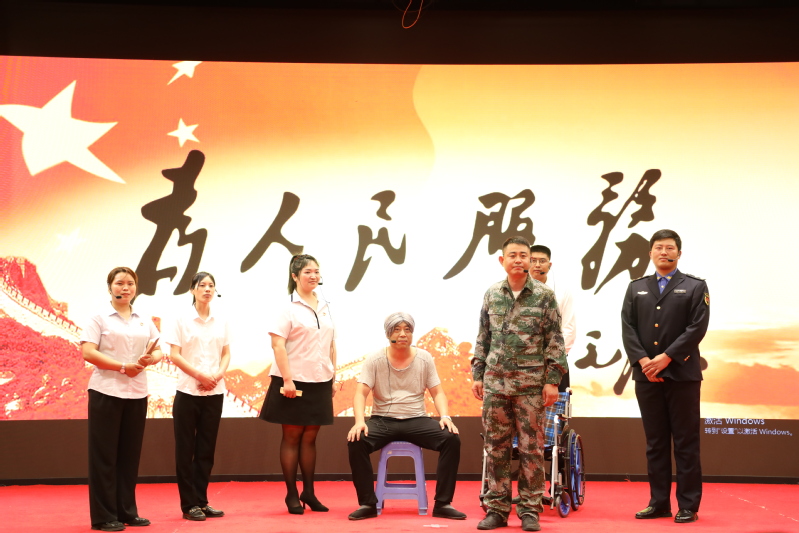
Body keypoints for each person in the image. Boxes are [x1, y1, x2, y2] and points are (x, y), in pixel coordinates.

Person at [472, 237, 567, 532]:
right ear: (502, 260)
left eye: (523, 255)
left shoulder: (544, 296)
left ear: (529, 260)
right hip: (496, 384)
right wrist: (477, 374)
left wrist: (552, 381)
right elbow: (483, 337)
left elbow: (555, 341)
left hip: (530, 386)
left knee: (531, 449)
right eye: (512, 255)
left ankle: (529, 510)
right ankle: (497, 509)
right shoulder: (492, 294)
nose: (518, 260)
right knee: (496, 448)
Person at [621, 229, 709, 524]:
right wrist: (644, 361)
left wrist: (667, 357)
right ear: (650, 253)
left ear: (678, 253)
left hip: (682, 375)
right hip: (647, 375)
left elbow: (697, 328)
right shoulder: (636, 287)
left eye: (669, 248)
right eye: (658, 247)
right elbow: (628, 328)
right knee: (655, 442)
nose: (664, 252)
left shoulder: (695, 286)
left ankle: (688, 505)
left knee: (686, 442)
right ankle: (658, 502)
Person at [346, 312, 467, 521]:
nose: (403, 334)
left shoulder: (424, 357)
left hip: (416, 419)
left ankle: (443, 503)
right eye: (397, 330)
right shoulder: (375, 359)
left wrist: (445, 416)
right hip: (383, 420)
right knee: (356, 440)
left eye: (407, 330)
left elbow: (437, 392)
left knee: (451, 438)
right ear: (388, 334)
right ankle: (367, 503)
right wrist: (359, 422)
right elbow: (360, 393)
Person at [81, 266, 163, 532]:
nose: (125, 288)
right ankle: (104, 516)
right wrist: (122, 367)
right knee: (104, 456)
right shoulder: (99, 317)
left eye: (130, 283)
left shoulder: (143, 319)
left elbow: (159, 350)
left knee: (129, 455)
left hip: (136, 392)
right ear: (110, 287)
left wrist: (150, 359)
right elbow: (88, 352)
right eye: (119, 283)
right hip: (106, 391)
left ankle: (127, 511)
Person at [259, 254, 336, 515]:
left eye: (316, 271)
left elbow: (331, 343)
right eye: (307, 272)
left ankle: (309, 493)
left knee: (311, 438)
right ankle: (291, 494)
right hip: (292, 381)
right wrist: (288, 379)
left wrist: (333, 376)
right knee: (292, 437)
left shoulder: (325, 305)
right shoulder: (287, 307)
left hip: (320, 379)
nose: (313, 276)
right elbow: (277, 345)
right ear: (295, 276)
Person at [165, 272, 231, 521]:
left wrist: (217, 375)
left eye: (211, 285)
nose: (207, 289)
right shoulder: (181, 319)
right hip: (188, 391)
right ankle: (188, 504)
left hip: (214, 392)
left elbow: (226, 353)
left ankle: (202, 501)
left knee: (206, 449)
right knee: (185, 450)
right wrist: (200, 376)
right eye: (202, 285)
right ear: (192, 290)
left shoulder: (221, 320)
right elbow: (175, 355)